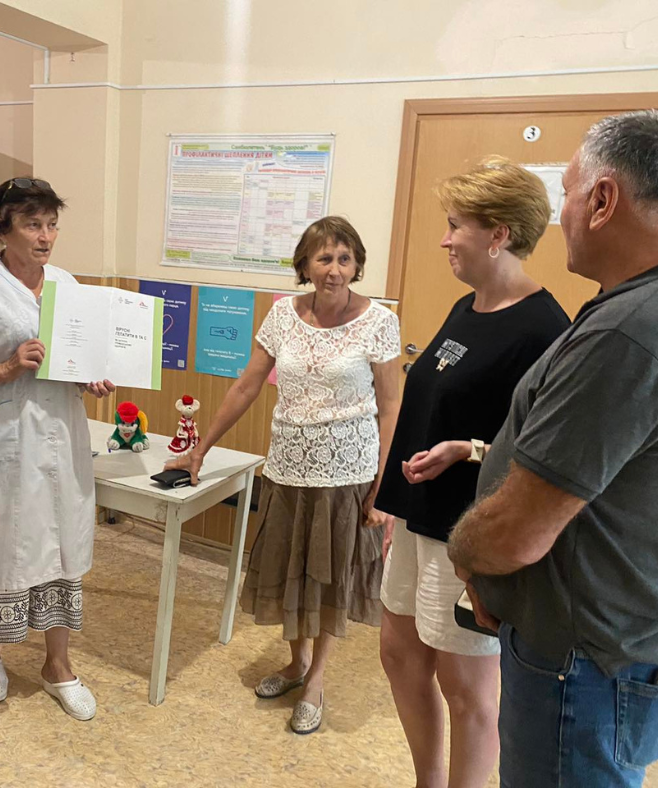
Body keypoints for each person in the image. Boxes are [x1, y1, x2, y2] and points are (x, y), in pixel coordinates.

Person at [447, 111, 658, 788]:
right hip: (611, 642)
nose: (560, 215)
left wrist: (469, 557)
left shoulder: (627, 332)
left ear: (603, 199)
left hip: (579, 662)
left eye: (567, 193)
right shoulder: (629, 309)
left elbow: (518, 530)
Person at [373, 158, 569, 787]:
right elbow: (431, 408)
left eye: (456, 225)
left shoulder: (545, 330)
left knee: (467, 691)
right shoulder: (467, 306)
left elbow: (547, 451)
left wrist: (472, 450)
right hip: (420, 518)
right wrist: (394, 504)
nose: (445, 239)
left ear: (498, 234)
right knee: (399, 653)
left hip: (471, 533)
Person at [166, 216, 401, 734]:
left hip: (347, 474)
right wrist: (201, 449)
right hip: (288, 468)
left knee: (330, 576)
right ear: (305, 265)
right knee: (290, 566)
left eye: (344, 259)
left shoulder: (379, 322)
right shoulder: (282, 315)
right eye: (324, 258)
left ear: (357, 265)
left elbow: (390, 407)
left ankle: (316, 678)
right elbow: (246, 386)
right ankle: (296, 663)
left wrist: (386, 488)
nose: (334, 269)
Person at [0, 177, 113, 720]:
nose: (45, 236)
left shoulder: (66, 285)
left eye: (52, 224)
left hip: (60, 432)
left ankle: (58, 664)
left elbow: (77, 358)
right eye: (33, 225)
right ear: (2, 228)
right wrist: (7, 367)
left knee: (61, 539)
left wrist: (90, 377)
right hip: (2, 439)